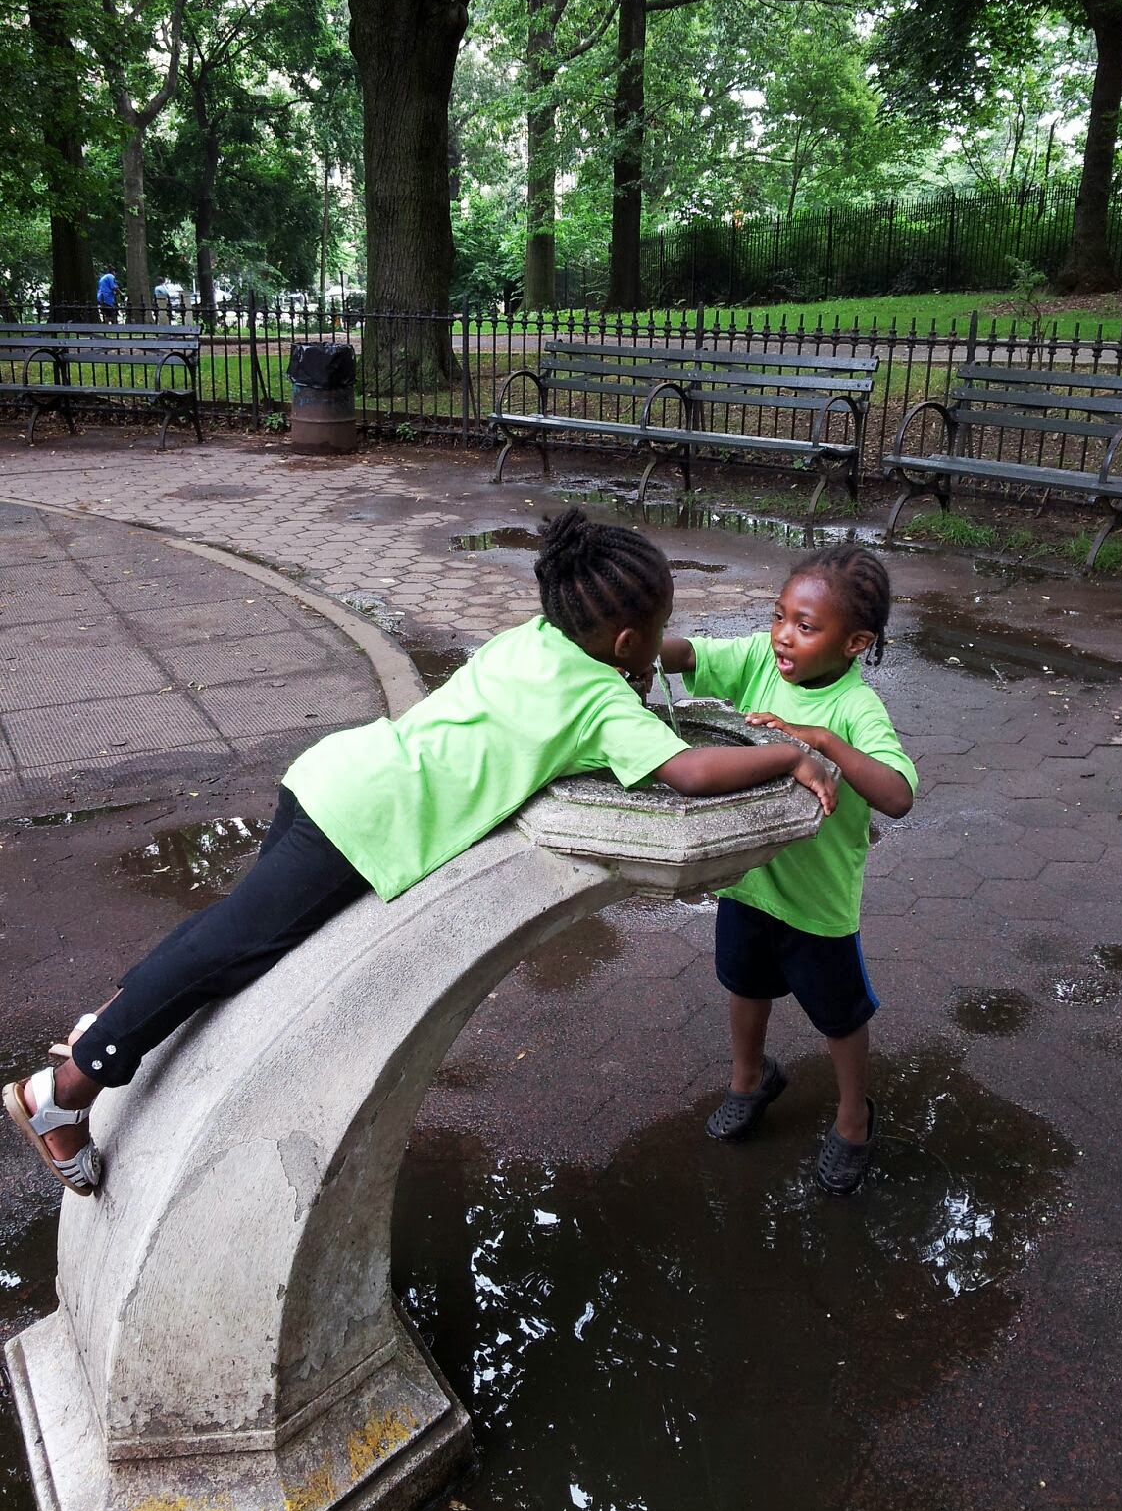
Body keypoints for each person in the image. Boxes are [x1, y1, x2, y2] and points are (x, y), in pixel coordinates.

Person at [4, 508, 836, 1199]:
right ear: (625, 641)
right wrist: (792, 756)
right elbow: (689, 771)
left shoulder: (533, 641)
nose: (663, 644)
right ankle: (68, 1089)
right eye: (659, 631)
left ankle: (121, 1014)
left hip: (335, 774)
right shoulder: (598, 699)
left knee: (234, 939)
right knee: (233, 945)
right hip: (364, 826)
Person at [658, 544, 916, 1194]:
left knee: (839, 1016)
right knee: (744, 986)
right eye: (780, 616)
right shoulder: (757, 661)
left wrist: (822, 741)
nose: (783, 635)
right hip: (748, 882)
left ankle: (854, 1116)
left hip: (818, 903)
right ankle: (750, 1079)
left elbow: (898, 795)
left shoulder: (857, 712)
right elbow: (689, 657)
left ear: (855, 642)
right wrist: (613, 642)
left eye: (806, 626)